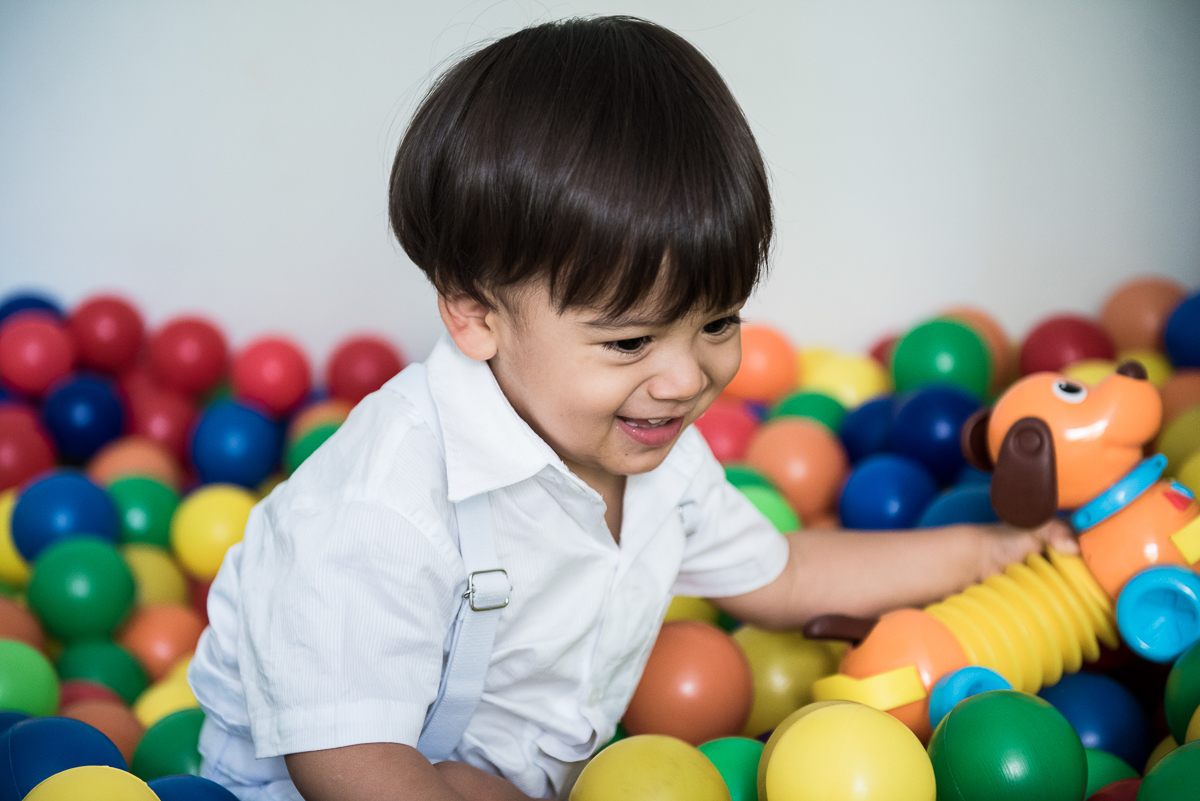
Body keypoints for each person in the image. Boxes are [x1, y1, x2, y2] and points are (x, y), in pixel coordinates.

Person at [188, 16, 1072, 801]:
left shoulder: (658, 453)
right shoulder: (385, 501)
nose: (687, 378)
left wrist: (989, 549)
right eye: (629, 342)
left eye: (718, 321)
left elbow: (787, 577)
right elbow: (346, 760)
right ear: (474, 314)